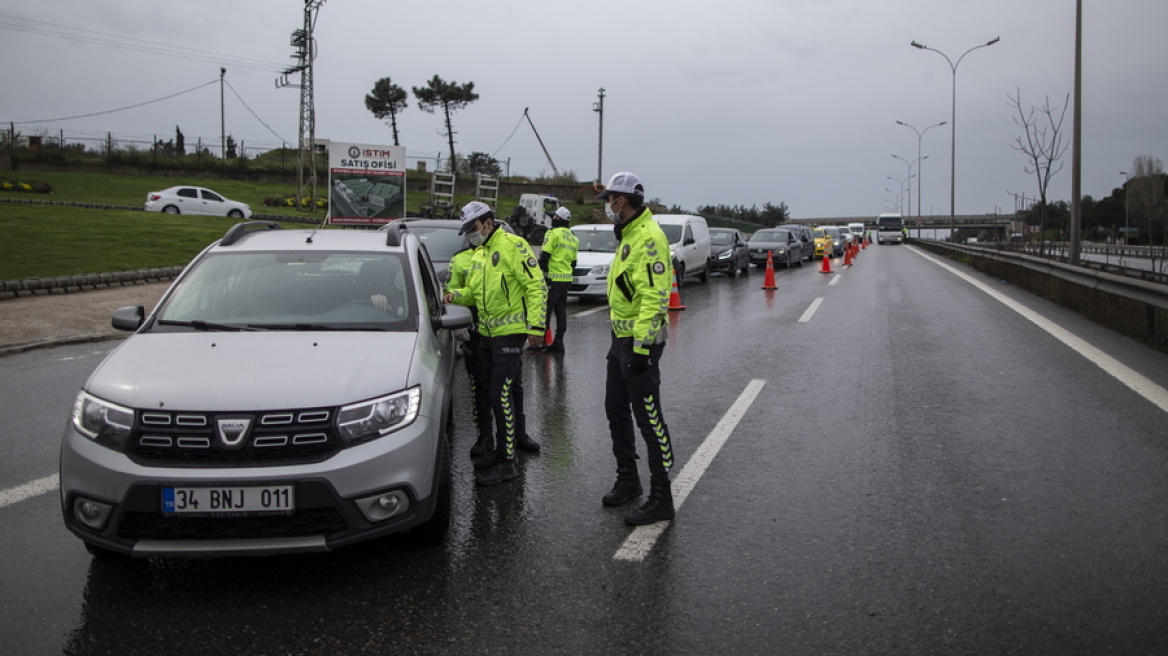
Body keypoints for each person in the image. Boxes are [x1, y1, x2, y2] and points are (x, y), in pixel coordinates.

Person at [444, 201, 547, 486]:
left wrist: (536, 326)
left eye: (473, 228)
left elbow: (536, 285)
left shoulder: (514, 245)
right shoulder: (481, 254)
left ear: (488, 223)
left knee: (501, 396)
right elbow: (475, 293)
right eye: (467, 231)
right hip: (487, 335)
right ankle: (501, 452)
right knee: (493, 394)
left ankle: (507, 463)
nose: (471, 234)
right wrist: (454, 296)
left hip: (510, 334)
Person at [594, 172, 676, 526]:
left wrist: (641, 349)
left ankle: (662, 497)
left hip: (639, 345)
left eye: (610, 200)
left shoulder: (648, 237)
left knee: (648, 419)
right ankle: (629, 480)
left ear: (621, 201)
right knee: (615, 409)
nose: (608, 206)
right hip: (620, 340)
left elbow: (656, 295)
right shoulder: (628, 234)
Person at [532, 206, 579, 353]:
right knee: (561, 311)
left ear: (558, 219)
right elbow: (573, 263)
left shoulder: (552, 233)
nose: (552, 219)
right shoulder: (573, 237)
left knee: (545, 311)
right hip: (566, 280)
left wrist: (542, 275)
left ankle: (543, 342)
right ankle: (559, 342)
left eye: (554, 217)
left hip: (552, 279)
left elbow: (544, 256)